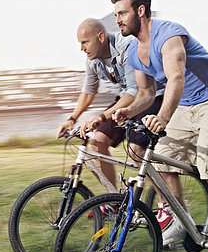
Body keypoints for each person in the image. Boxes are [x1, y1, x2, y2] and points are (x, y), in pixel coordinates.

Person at [110, 0, 208, 249]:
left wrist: (163, 117)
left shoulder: (169, 35)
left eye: (122, 13)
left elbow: (175, 78)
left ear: (141, 11)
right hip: (186, 106)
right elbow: (146, 92)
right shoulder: (135, 52)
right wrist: (129, 110)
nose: (118, 20)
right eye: (116, 15)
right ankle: (181, 219)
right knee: (162, 162)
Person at [57, 18, 163, 190]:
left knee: (136, 150)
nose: (81, 48)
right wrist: (72, 119)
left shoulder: (128, 47)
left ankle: (165, 205)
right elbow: (89, 91)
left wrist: (100, 117)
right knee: (97, 142)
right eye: (80, 43)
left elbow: (135, 92)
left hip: (151, 96)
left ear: (100, 37)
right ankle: (112, 200)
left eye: (85, 42)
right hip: (125, 98)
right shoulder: (92, 59)